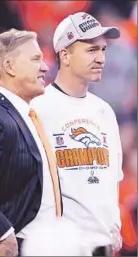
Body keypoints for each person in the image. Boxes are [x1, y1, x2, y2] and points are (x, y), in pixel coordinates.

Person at [0, 28, 62, 256]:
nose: (45, 67)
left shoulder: (25, 116)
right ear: (9, 67)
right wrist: (2, 232)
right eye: (36, 59)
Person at [31, 12, 124, 256]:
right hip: (59, 247)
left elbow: (113, 176)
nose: (101, 58)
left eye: (103, 50)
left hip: (102, 247)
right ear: (65, 54)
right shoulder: (37, 108)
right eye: (91, 50)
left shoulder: (104, 111)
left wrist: (114, 222)